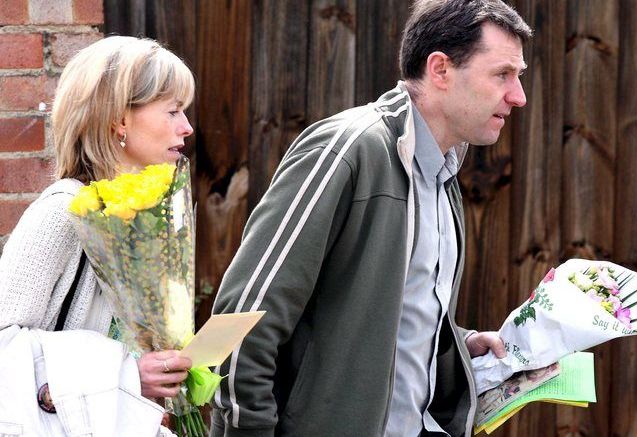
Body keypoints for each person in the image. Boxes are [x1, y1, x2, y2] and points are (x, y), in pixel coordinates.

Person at [210, 1, 532, 435]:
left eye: (518, 77)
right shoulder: (346, 150)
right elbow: (242, 321)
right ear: (440, 70)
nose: (518, 96)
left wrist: (460, 343)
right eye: (502, 75)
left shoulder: (444, 174)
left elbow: (386, 315)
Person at [0, 36, 195, 435]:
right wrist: (123, 375)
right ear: (119, 119)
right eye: (173, 111)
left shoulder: (145, 215)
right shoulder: (63, 212)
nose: (187, 127)